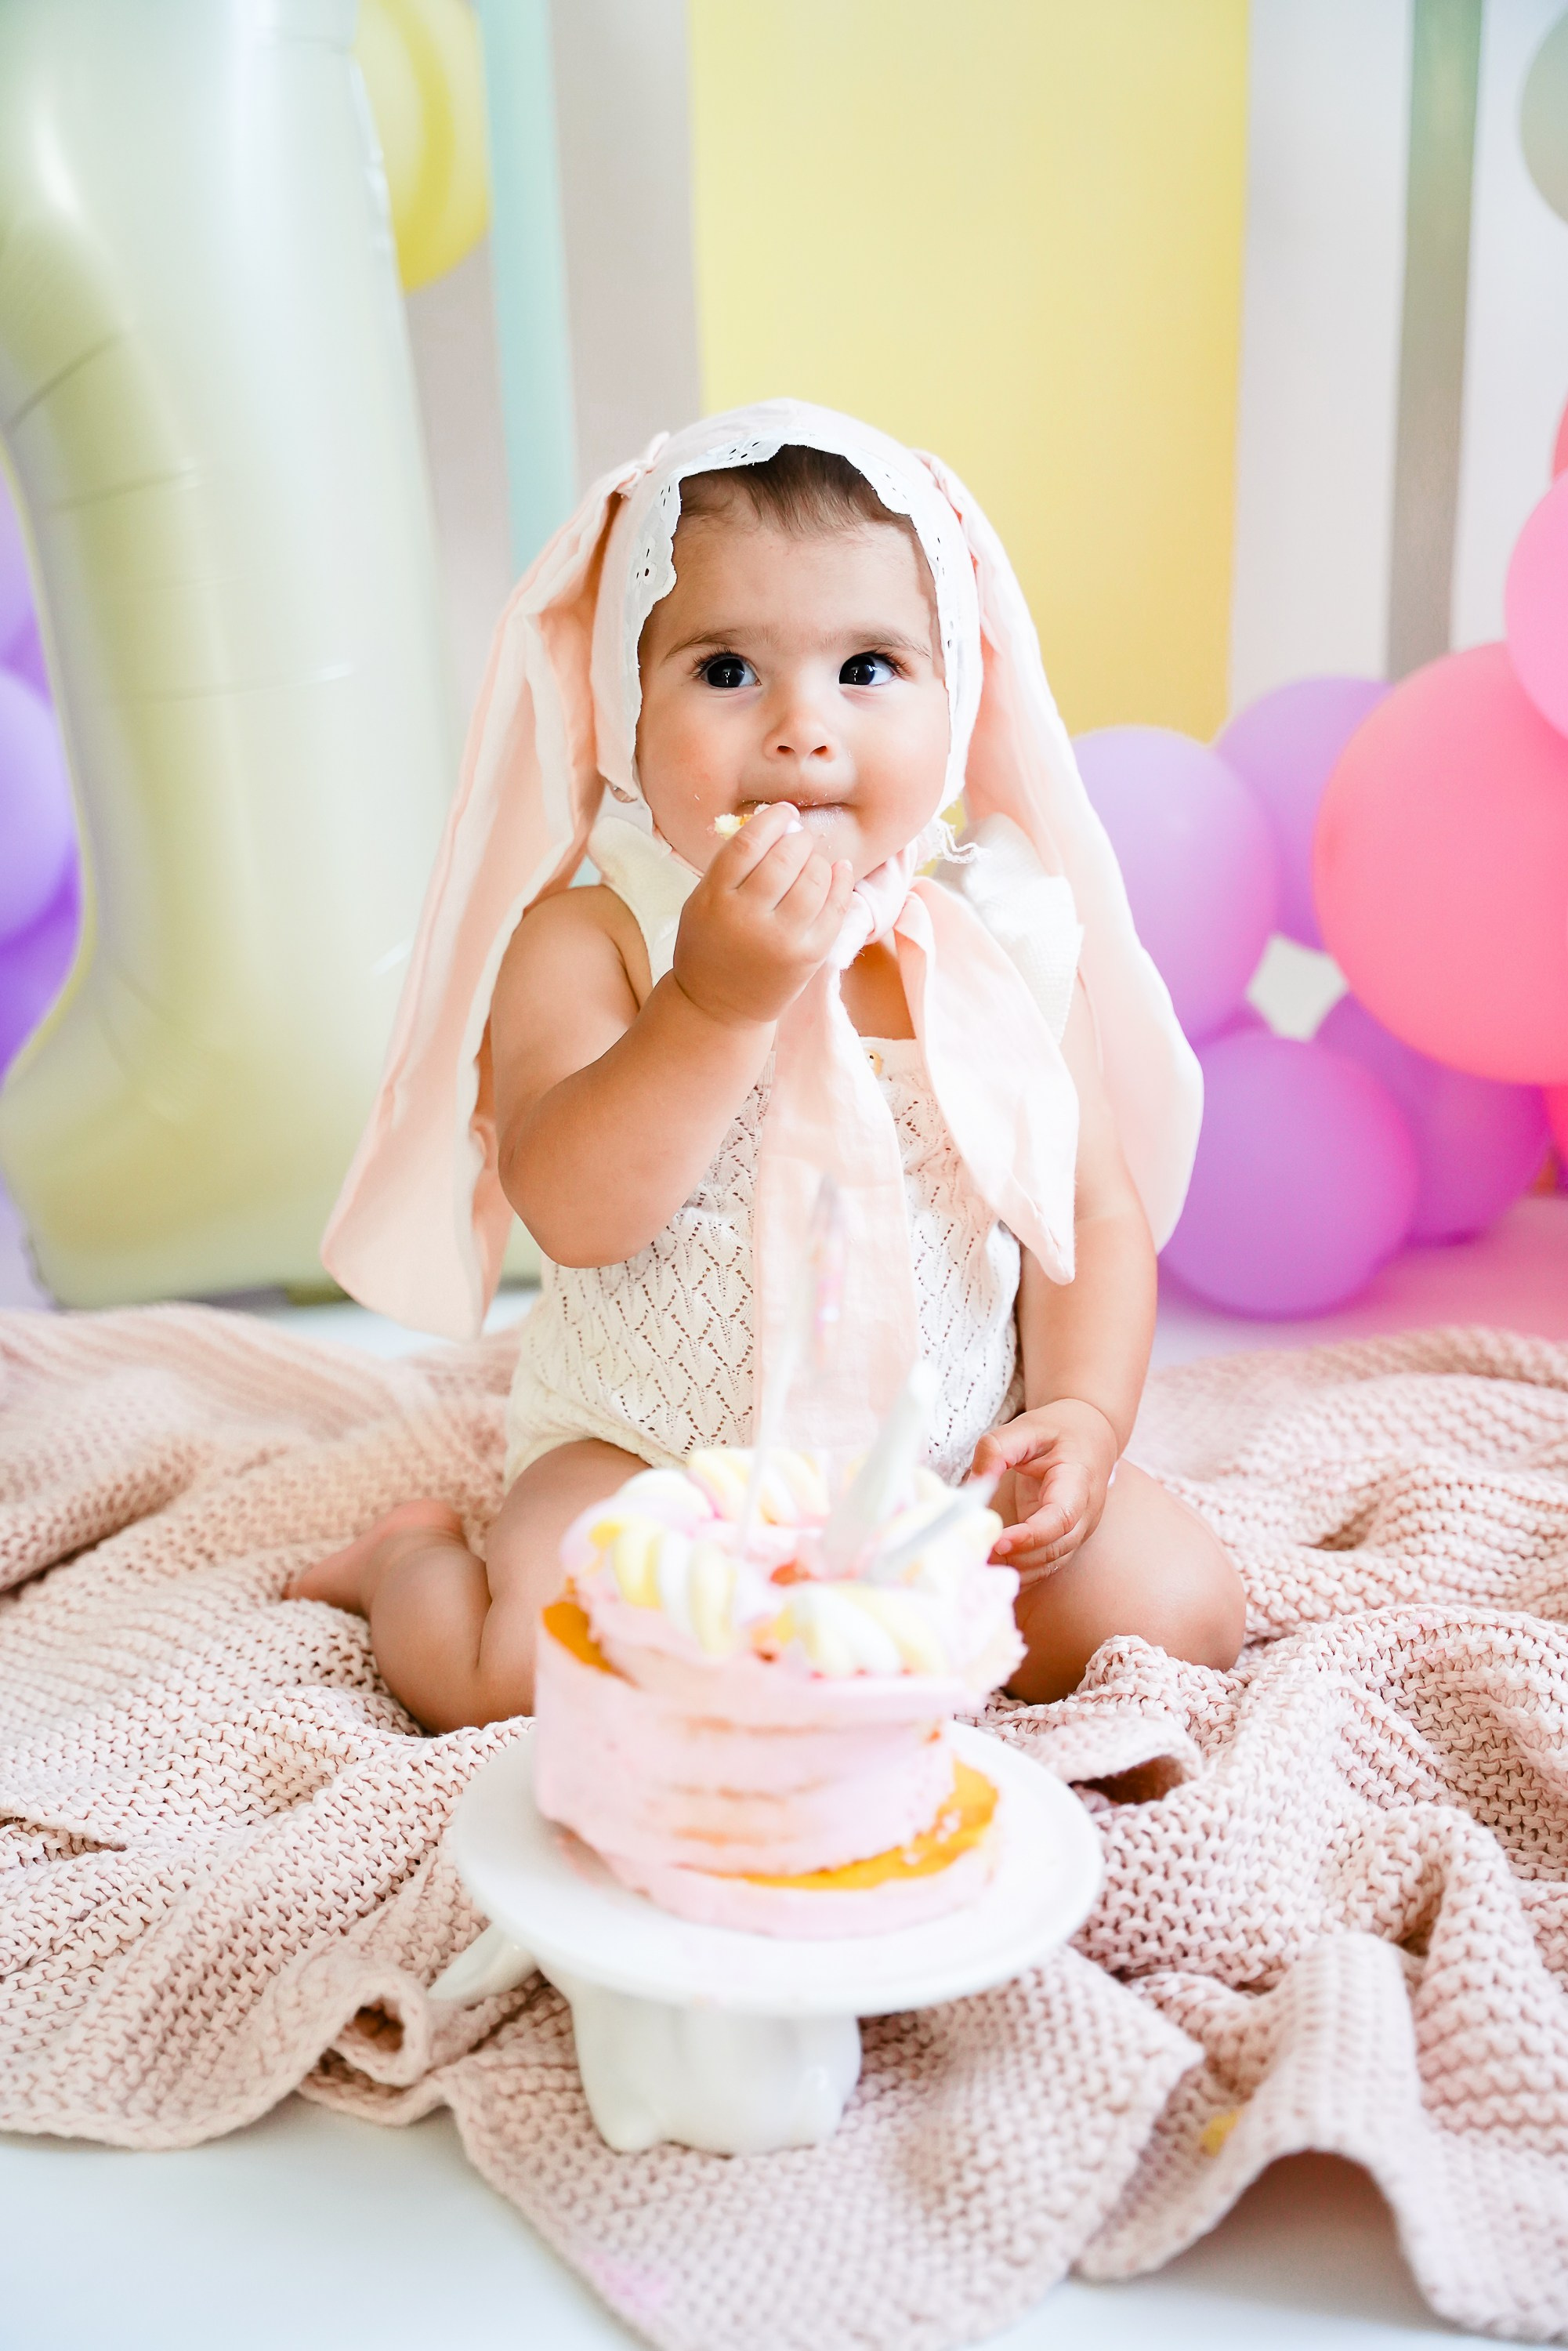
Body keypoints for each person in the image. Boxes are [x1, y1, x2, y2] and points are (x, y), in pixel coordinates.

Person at [292, 404, 1245, 1730]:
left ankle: (923, 1596)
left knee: (1179, 1610)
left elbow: (1087, 1213)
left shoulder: (998, 946)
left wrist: (1082, 1415)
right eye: (728, 669)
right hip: (653, 1457)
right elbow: (574, 1212)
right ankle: (411, 1564)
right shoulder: (594, 941)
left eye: (867, 667)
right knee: (534, 1680)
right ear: (626, 706)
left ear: (956, 696)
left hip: (936, 1467)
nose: (803, 727)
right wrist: (709, 1003)